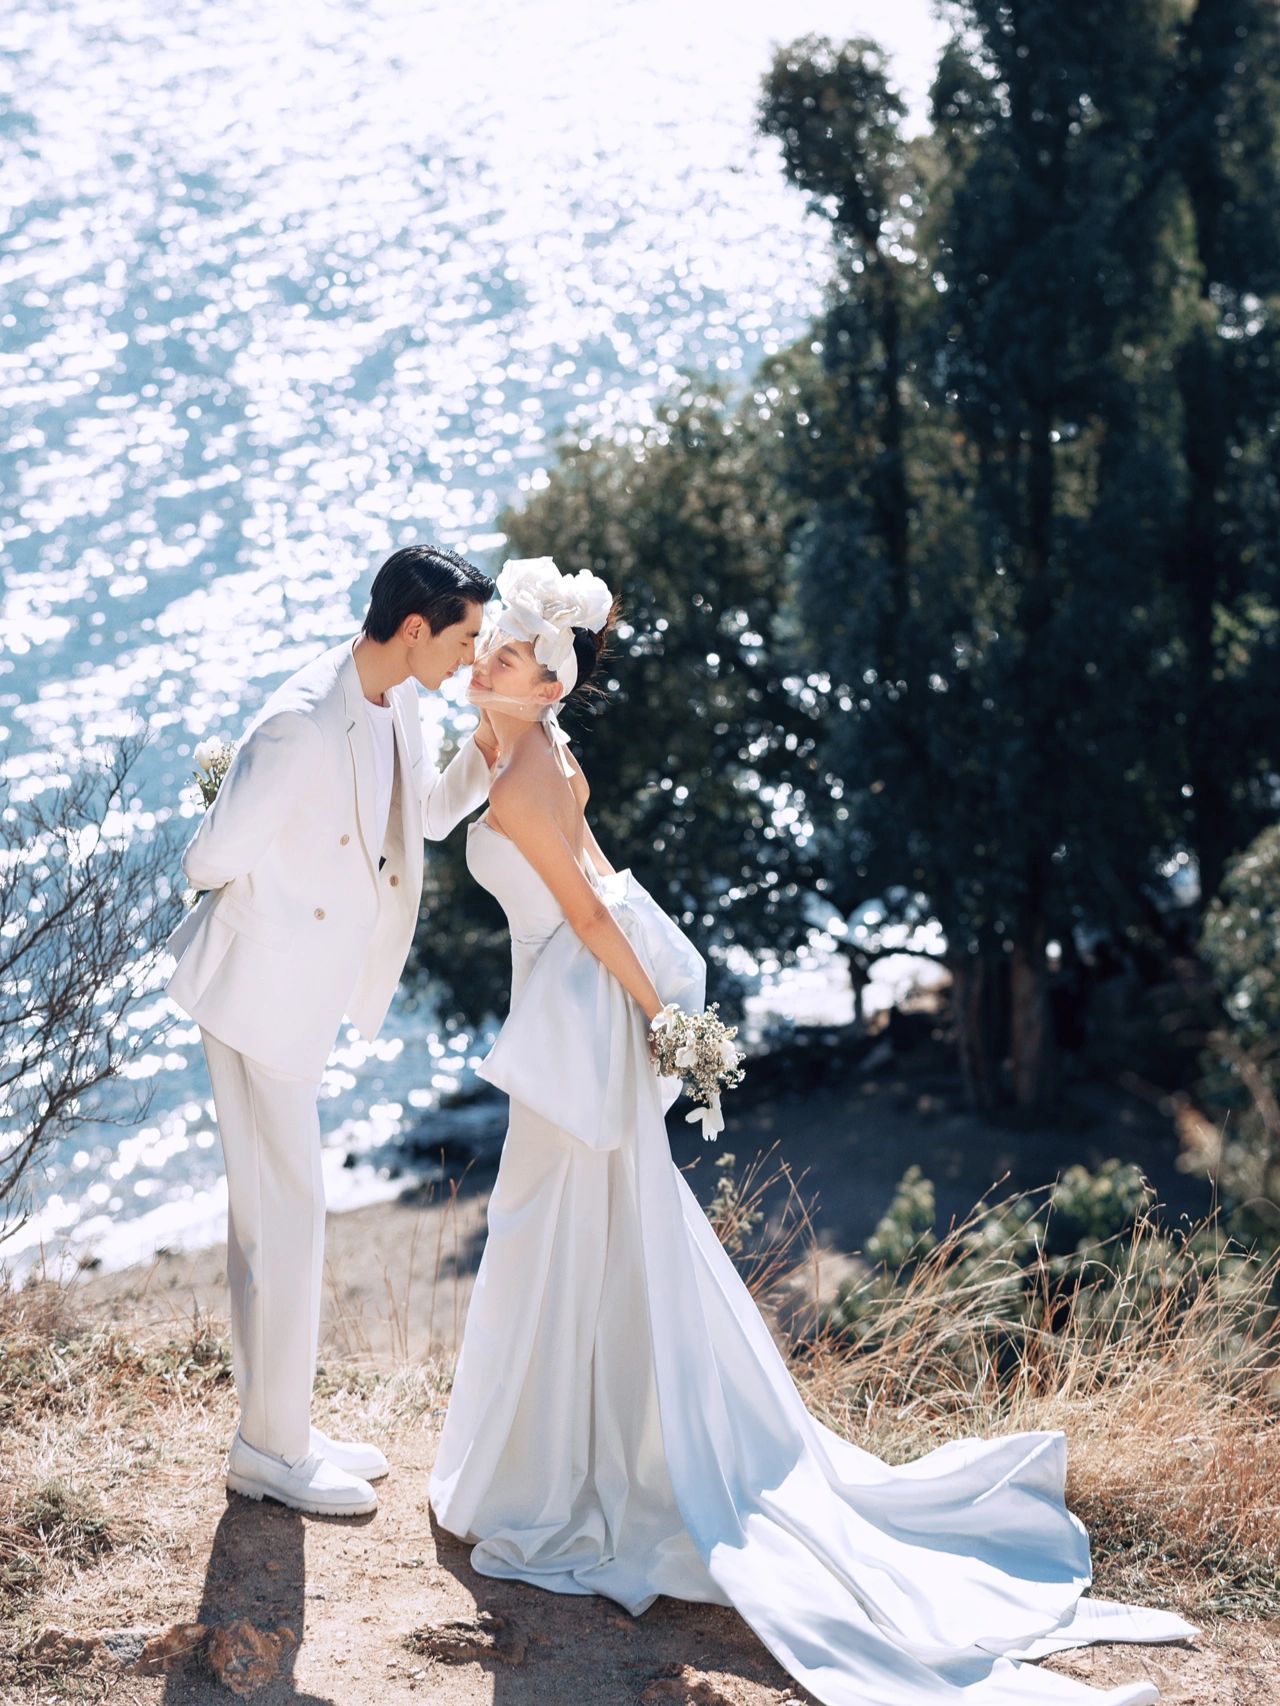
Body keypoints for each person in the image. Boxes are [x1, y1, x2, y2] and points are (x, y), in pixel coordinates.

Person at [427, 556, 1200, 1706]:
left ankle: (558, 1474)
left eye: (503, 653)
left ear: (544, 686)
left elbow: (585, 907)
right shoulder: (511, 743)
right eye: (486, 644)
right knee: (561, 1225)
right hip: (561, 1006)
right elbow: (482, 826)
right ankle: (549, 1453)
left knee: (554, 1223)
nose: (482, 661)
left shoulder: (527, 767)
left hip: (578, 1006)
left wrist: (663, 1017)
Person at [165, 544, 497, 1518]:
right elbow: (207, 860)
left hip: (299, 998)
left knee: (279, 1217)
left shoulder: (397, 698)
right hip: (258, 992)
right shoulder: (299, 723)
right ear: (414, 629)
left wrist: (495, 741)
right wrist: (284, 891)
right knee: (287, 1217)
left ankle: (281, 1430)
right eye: (465, 639)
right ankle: (270, 1449)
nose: (471, 657)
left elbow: (420, 816)